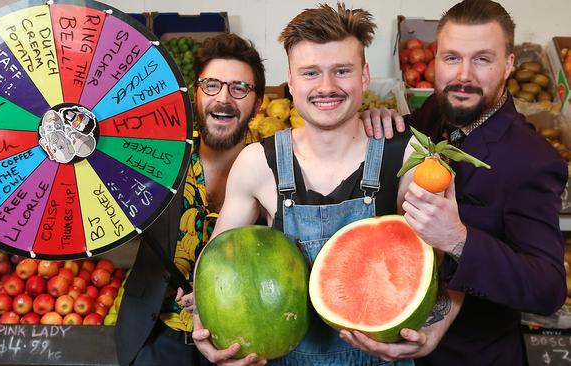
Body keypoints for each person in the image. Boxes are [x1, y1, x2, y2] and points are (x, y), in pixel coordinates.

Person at [191, 3, 463, 365]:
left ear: (364, 76)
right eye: (310, 73)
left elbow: (452, 255)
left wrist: (435, 331)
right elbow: (215, 262)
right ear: (290, 80)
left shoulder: (409, 157)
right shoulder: (258, 163)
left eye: (342, 70)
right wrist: (203, 325)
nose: (326, 87)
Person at [115, 32, 405, 366]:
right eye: (211, 85)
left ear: (259, 103)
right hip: (158, 329)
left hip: (253, 332)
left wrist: (377, 117)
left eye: (239, 88)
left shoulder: (270, 161)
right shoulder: (153, 158)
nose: (223, 98)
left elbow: (331, 132)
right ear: (195, 93)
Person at [352, 1, 567, 364]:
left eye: (482, 59)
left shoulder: (533, 160)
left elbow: (548, 289)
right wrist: (381, 119)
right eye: (452, 58)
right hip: (396, 339)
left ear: (509, 64)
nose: (463, 75)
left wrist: (458, 240)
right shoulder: (436, 111)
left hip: (473, 355)